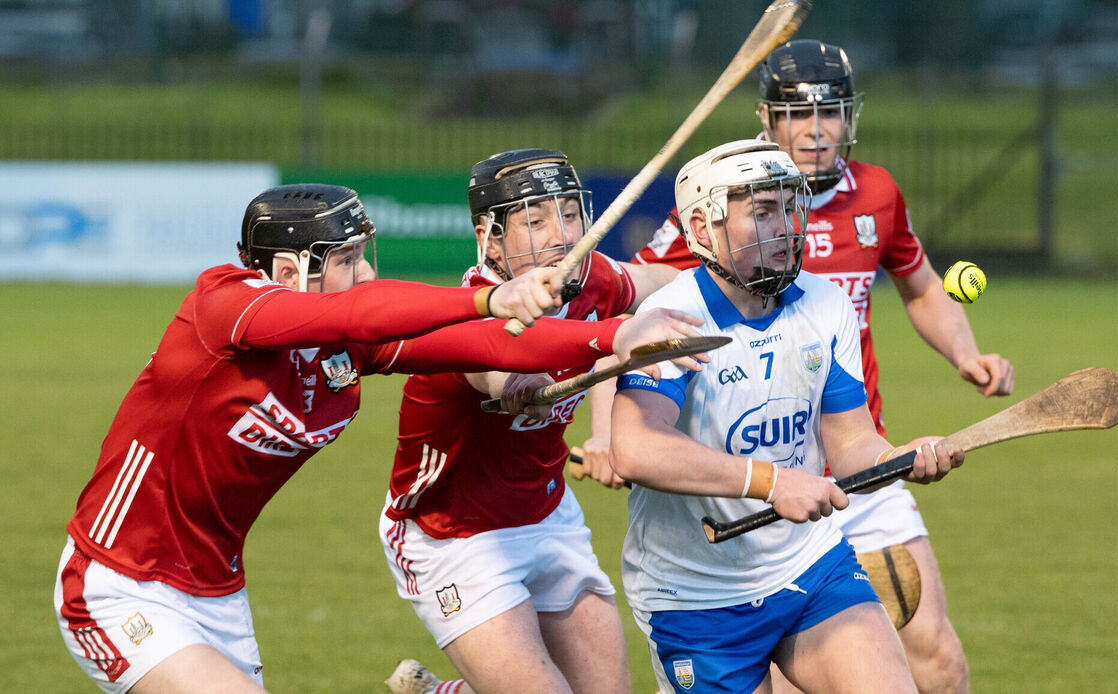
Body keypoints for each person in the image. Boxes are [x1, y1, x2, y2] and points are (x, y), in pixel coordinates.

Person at [53, 183, 700, 694]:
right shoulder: (223, 307)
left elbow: (473, 345)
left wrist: (613, 338)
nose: (365, 273)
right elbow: (370, 309)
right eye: (345, 260)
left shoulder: (341, 352)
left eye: (366, 254)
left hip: (216, 588)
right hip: (118, 579)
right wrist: (485, 298)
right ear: (286, 269)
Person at [589, 39, 1015, 693]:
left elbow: (855, 440)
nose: (788, 227)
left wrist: (907, 453)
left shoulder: (830, 289)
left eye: (791, 210)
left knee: (931, 660)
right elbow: (636, 425)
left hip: (826, 510)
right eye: (765, 214)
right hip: (705, 570)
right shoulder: (681, 301)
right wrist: (767, 480)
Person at [378, 149, 692, 694]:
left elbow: (657, 283)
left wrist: (713, 279)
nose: (562, 234)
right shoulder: (468, 310)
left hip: (546, 513)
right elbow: (498, 370)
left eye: (570, 213)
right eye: (536, 220)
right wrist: (524, 389)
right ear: (490, 237)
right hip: (449, 533)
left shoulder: (592, 276)